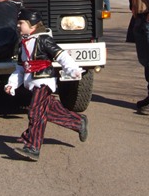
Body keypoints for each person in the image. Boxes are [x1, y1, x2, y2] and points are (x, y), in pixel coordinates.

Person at [5, 9, 88, 161]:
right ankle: (78, 122)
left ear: (33, 25)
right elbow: (20, 68)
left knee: (35, 112)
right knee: (49, 110)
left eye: (21, 23)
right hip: (33, 83)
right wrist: (11, 84)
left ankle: (33, 146)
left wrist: (73, 70)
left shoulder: (44, 39)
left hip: (44, 81)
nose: (18, 26)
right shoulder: (23, 43)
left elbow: (61, 56)